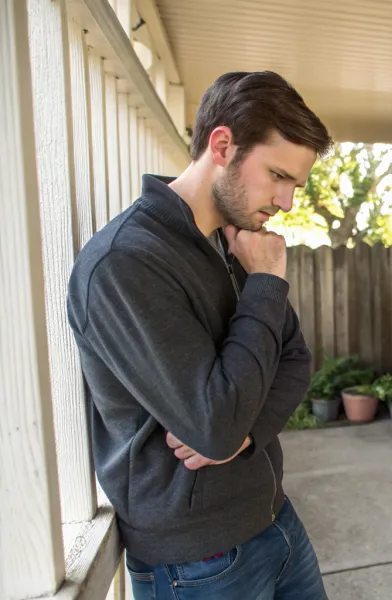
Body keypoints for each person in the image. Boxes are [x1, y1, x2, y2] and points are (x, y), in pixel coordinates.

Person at [67, 71, 333, 599]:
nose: (286, 202)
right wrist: (264, 282)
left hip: (276, 519)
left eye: (295, 185)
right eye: (277, 175)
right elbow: (212, 424)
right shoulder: (127, 262)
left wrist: (244, 435)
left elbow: (296, 359)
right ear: (222, 144)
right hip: (198, 563)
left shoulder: (233, 242)